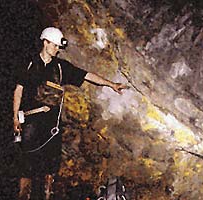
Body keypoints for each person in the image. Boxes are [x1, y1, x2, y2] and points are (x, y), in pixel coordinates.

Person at [13, 27, 127, 200]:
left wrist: (111, 84)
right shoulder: (29, 64)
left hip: (52, 126)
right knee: (27, 164)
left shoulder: (60, 67)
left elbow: (86, 75)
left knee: (51, 165)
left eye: (59, 46)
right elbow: (18, 90)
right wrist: (15, 117)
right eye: (55, 46)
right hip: (30, 122)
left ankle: (46, 194)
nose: (57, 49)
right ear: (46, 42)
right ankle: (23, 196)